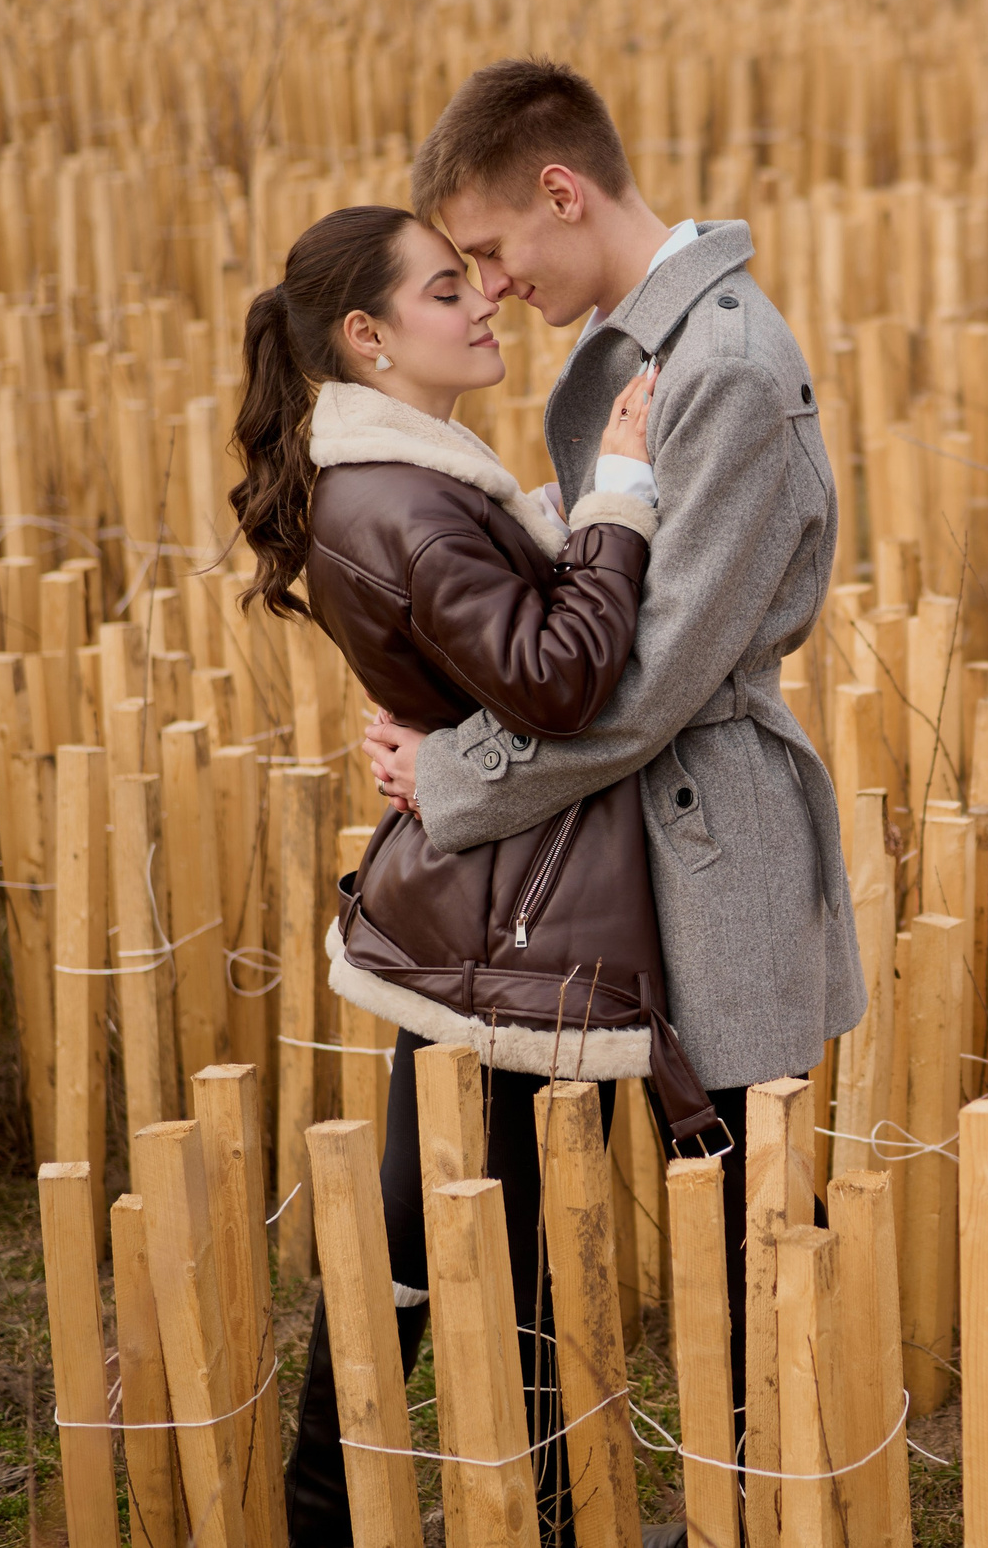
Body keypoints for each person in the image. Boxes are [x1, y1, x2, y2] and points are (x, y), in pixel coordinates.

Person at [363, 57, 867, 1525]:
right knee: (586, 1197)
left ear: (564, 193)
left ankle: (782, 1510)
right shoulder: (655, 345)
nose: (496, 286)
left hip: (708, 843)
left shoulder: (722, 364)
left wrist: (451, 777)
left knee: (744, 1217)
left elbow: (640, 688)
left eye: (499, 249)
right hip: (610, 845)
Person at [231, 203, 678, 1543]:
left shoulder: (407, 478)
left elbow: (486, 644)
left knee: (447, 1234)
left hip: (492, 904)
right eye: (445, 289)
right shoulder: (406, 500)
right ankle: (458, 1520)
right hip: (519, 921)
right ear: (367, 338)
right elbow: (556, 676)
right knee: (494, 1246)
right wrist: (618, 499)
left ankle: (402, 1515)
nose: (484, 298)